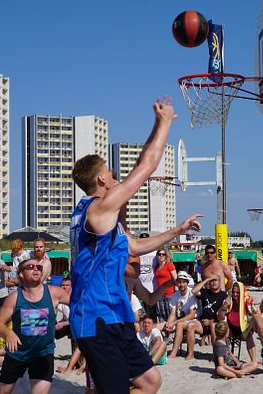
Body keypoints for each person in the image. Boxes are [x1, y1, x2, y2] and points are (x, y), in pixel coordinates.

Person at [68, 97, 202, 394]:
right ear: (102, 179)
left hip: (115, 314)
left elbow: (136, 246)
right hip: (96, 319)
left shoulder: (100, 218)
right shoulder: (99, 209)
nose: (117, 177)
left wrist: (178, 230)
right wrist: (165, 122)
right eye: (112, 174)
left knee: (150, 381)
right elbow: (147, 165)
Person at [0, 258, 70, 394]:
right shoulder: (14, 298)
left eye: (39, 267)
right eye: (31, 267)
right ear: (22, 273)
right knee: (2, 392)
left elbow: (79, 305)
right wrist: (8, 333)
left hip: (43, 354)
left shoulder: (54, 292)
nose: (36, 269)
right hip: (18, 354)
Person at [216, 280, 255, 362]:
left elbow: (253, 316)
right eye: (233, 292)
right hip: (231, 327)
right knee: (223, 332)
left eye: (238, 293)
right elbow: (220, 318)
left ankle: (253, 360)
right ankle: (225, 357)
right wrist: (224, 307)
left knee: (249, 336)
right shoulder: (228, 301)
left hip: (243, 327)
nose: (235, 294)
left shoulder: (247, 301)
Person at [189, 275, 228, 352]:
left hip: (216, 323)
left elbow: (223, 315)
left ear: (220, 282)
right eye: (212, 281)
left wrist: (211, 321)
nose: (213, 282)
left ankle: (215, 354)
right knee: (190, 326)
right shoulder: (205, 292)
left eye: (215, 280)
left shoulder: (223, 295)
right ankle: (190, 354)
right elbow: (193, 291)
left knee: (213, 326)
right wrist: (206, 280)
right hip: (202, 323)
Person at [166, 271, 199, 359]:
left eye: (184, 282)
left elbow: (192, 315)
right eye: (179, 282)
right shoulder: (175, 295)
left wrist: (174, 322)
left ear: (187, 283)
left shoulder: (191, 294)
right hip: (182, 320)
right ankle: (170, 351)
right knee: (161, 326)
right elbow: (172, 313)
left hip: (194, 320)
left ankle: (174, 352)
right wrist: (168, 324)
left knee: (180, 324)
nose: (181, 284)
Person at [153, 248, 176, 323]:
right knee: (161, 315)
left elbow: (175, 278)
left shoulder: (169, 265)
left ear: (166, 256)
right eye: (159, 254)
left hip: (169, 293)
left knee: (170, 315)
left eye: (163, 254)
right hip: (160, 294)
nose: (161, 256)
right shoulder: (156, 267)